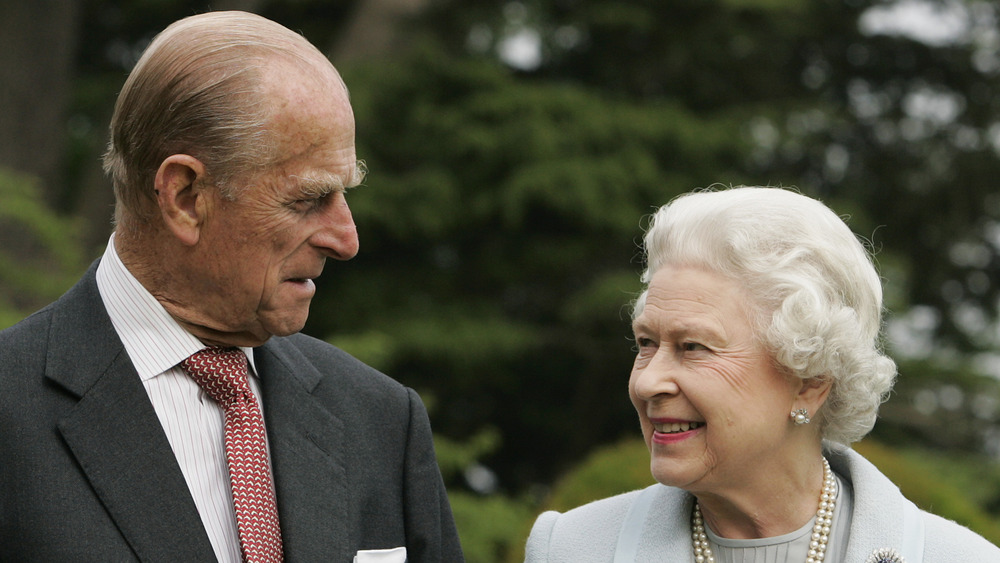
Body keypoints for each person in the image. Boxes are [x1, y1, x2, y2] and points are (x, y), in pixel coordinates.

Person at [0, 11, 463, 563]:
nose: (346, 240)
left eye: (345, 195)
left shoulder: (382, 420)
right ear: (185, 196)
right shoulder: (12, 410)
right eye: (308, 199)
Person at [524, 187, 999, 562]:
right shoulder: (569, 549)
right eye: (647, 343)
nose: (648, 383)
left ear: (810, 380)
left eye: (693, 347)